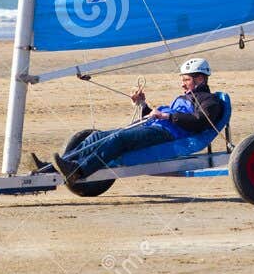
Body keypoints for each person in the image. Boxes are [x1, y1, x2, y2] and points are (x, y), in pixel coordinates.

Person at [49, 57, 226, 181]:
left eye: (186, 80)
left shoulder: (209, 101)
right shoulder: (185, 98)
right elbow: (157, 116)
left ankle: (79, 171)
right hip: (155, 127)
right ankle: (52, 169)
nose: (182, 83)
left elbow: (200, 121)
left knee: (118, 139)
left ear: (201, 79)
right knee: (96, 137)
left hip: (168, 135)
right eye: (183, 79)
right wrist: (142, 104)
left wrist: (167, 115)